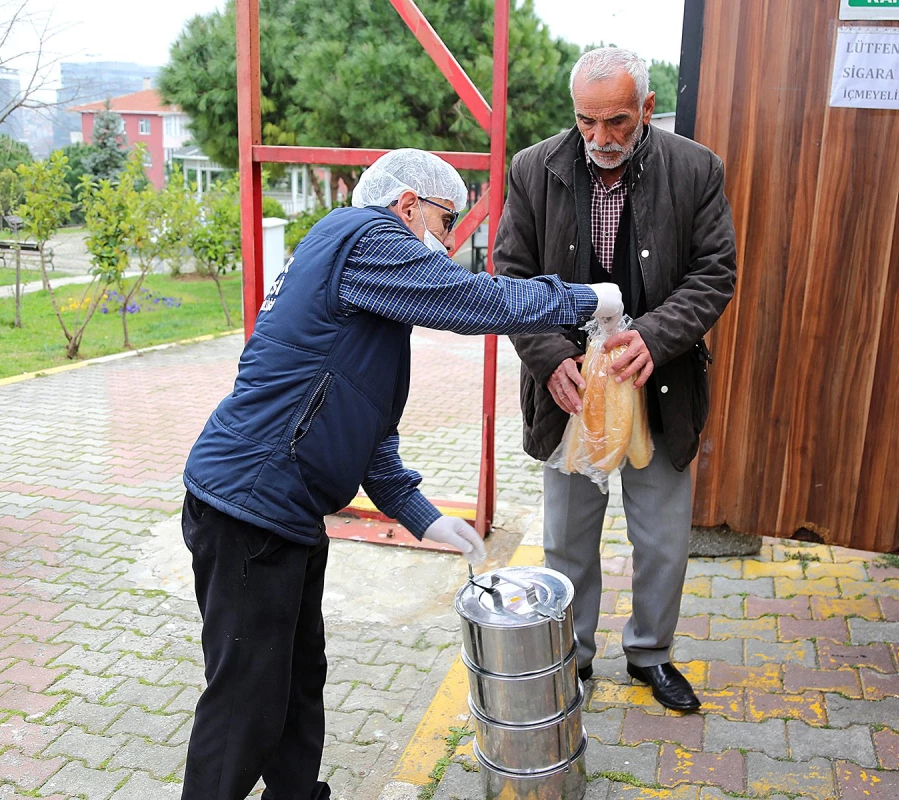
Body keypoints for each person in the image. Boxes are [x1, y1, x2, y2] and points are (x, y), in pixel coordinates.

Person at [178, 148, 623, 800]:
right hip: (249, 506)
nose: (447, 245)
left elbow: (370, 436)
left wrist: (427, 518)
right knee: (246, 698)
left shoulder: (369, 289)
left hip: (285, 513)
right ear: (407, 205)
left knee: (299, 678)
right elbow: (475, 300)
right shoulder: (363, 237)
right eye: (446, 224)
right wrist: (586, 299)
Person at [495, 47, 738, 711]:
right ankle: (570, 660)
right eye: (586, 122)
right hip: (568, 390)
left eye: (618, 124)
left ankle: (651, 655)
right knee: (567, 541)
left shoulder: (696, 168)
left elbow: (716, 272)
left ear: (648, 110)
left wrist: (656, 338)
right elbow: (509, 280)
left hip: (662, 385)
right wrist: (548, 358)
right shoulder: (533, 168)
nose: (600, 139)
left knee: (662, 542)